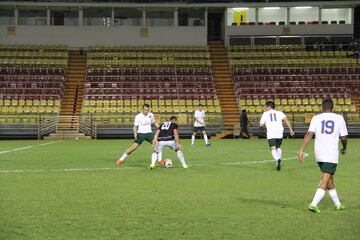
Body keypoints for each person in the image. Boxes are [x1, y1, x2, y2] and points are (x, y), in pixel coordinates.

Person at [298, 98, 348, 213]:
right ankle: (313, 204)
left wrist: (302, 149)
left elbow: (310, 133)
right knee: (325, 180)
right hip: (331, 153)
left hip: (319, 153)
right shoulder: (339, 118)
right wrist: (344, 147)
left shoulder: (316, 118)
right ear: (333, 108)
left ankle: (338, 204)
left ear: (322, 108)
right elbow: (344, 137)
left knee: (330, 179)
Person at [259, 101, 295, 171]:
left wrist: (263, 126)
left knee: (273, 148)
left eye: (266, 106)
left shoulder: (265, 114)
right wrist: (291, 130)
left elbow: (260, 124)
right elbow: (286, 120)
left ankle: (277, 159)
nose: (265, 108)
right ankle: (278, 161)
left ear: (269, 107)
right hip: (279, 132)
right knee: (278, 147)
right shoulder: (280, 113)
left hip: (271, 132)